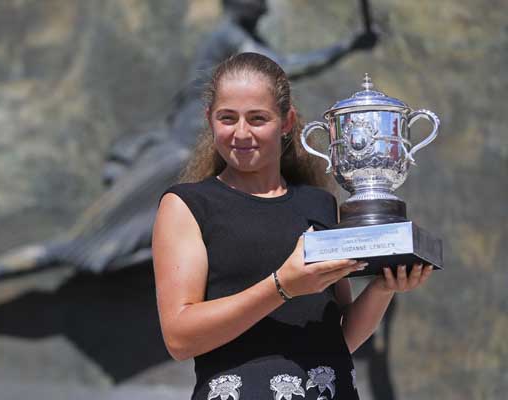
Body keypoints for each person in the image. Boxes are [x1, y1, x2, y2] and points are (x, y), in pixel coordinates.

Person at [0, 0, 376, 326]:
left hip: (183, 167)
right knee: (77, 248)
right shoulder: (229, 38)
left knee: (126, 251)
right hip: (169, 164)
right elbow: (282, 68)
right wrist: (346, 46)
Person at [152, 52, 432, 400]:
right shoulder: (187, 206)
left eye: (257, 118)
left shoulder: (320, 204)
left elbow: (338, 336)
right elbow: (179, 337)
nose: (241, 132)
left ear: (287, 122)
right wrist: (281, 286)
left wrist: (383, 288)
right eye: (228, 118)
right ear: (209, 119)